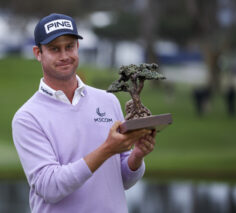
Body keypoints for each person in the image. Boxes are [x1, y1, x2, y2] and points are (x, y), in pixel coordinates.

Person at [12, 13, 156, 213]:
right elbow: (50, 188)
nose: (64, 56)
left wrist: (137, 157)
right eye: (54, 49)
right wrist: (107, 149)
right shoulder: (27, 117)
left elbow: (122, 179)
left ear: (77, 47)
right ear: (38, 53)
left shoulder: (107, 100)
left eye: (69, 46)